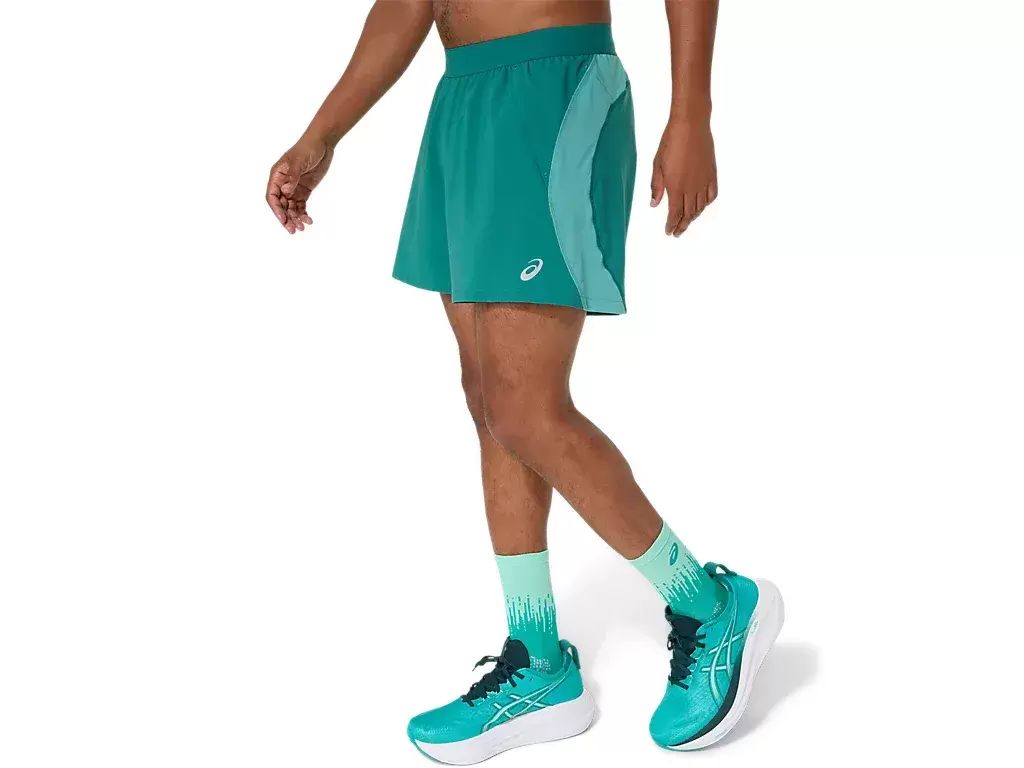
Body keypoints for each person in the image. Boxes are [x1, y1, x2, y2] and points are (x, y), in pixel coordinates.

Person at [265, 1, 783, 762]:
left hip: (554, 90)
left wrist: (691, 113)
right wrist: (322, 135)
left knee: (525, 409)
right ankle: (539, 662)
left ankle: (711, 607)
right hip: (464, 102)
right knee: (489, 403)